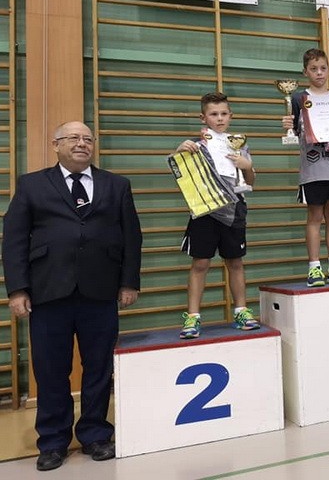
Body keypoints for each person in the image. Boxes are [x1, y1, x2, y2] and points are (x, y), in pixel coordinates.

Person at [2, 121, 142, 471]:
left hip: (101, 291)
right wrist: (17, 289)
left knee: (99, 368)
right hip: (48, 292)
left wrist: (129, 283)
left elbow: (132, 237)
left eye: (87, 139)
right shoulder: (32, 184)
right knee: (51, 370)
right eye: (73, 138)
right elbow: (14, 239)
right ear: (56, 145)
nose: (82, 143)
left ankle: (96, 434)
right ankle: (52, 441)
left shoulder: (117, 185)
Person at [175, 92, 259, 339]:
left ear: (230, 116)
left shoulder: (239, 143)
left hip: (234, 210)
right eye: (214, 114)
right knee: (200, 263)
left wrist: (247, 167)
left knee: (235, 262)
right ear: (203, 118)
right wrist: (180, 151)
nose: (220, 118)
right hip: (205, 211)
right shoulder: (195, 144)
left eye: (224, 114)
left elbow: (250, 181)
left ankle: (241, 311)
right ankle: (193, 316)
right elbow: (180, 171)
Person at [282, 48, 329, 287]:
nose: (319, 73)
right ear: (305, 72)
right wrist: (287, 124)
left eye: (323, 68)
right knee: (315, 216)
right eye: (313, 69)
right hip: (313, 169)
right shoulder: (298, 99)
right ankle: (314, 267)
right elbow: (294, 132)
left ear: (328, 70)